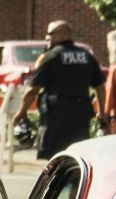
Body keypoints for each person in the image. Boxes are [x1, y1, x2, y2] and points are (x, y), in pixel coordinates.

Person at [20, 20, 103, 158]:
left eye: (50, 34)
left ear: (64, 34)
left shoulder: (51, 56)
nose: (47, 38)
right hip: (80, 117)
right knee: (77, 157)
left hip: (56, 118)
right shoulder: (87, 56)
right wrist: (102, 113)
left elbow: (32, 90)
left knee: (54, 159)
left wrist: (21, 112)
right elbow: (100, 88)